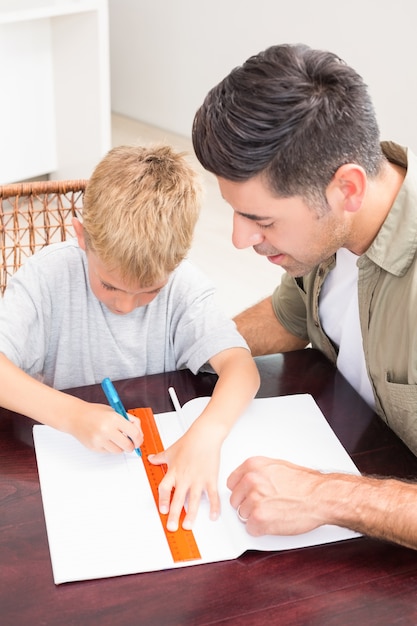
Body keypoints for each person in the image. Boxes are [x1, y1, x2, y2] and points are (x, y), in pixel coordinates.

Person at [192, 43, 417, 549]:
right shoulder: (330, 235)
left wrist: (323, 497)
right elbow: (289, 318)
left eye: (261, 220)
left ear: (348, 189)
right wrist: (182, 345)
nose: (239, 239)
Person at [0, 144, 260, 532]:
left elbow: (242, 369)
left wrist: (206, 436)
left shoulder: (183, 286)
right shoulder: (45, 279)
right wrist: (73, 415)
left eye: (149, 291)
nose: (126, 306)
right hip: (60, 477)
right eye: (109, 285)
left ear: (178, 260)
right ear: (82, 236)